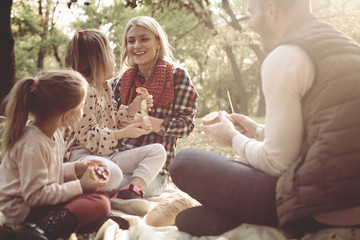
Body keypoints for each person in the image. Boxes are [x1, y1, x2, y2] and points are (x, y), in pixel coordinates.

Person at [169, 0, 360, 238]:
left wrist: (233, 138)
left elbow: (277, 163)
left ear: (270, 9)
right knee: (189, 219)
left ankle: (281, 223)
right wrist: (258, 131)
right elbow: (327, 134)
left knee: (185, 162)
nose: (250, 24)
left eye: (251, 13)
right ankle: (235, 220)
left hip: (321, 207)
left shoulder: (285, 56)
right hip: (345, 192)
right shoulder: (346, 46)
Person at [0, 70, 115, 239]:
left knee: (100, 199)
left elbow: (50, 172)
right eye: (82, 106)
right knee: (99, 203)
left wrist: (77, 168)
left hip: (39, 204)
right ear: (67, 116)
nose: (83, 111)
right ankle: (38, 231)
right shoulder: (32, 143)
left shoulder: (52, 133)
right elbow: (35, 196)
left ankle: (64, 225)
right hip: (22, 213)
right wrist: (81, 186)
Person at [64, 29, 166, 216]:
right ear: (99, 60)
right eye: (111, 53)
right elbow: (89, 136)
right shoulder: (84, 92)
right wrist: (124, 133)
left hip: (110, 154)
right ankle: (109, 190)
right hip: (82, 158)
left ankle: (129, 193)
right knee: (114, 173)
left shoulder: (106, 88)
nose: (115, 57)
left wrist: (134, 107)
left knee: (158, 151)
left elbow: (113, 119)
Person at [113, 16, 198, 197]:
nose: (136, 46)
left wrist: (151, 122)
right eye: (131, 41)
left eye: (144, 39)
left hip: (153, 172)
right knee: (95, 174)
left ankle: (122, 193)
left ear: (158, 42)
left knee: (104, 184)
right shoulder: (123, 81)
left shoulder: (177, 76)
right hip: (120, 159)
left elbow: (186, 125)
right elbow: (109, 120)